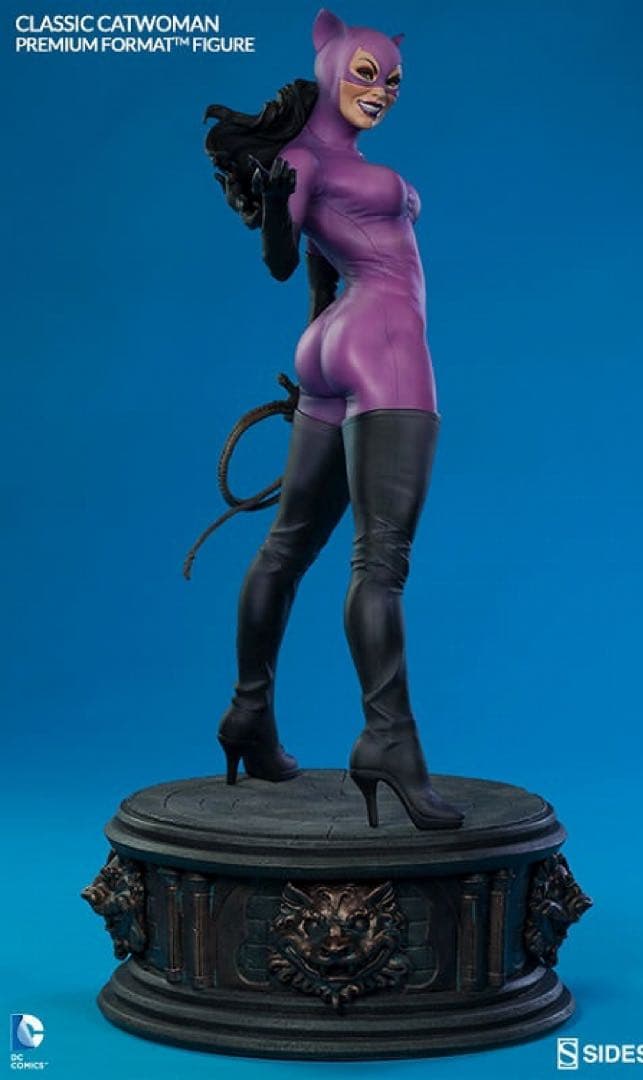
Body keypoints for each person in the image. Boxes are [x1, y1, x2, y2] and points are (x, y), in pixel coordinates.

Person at [205, 9, 463, 831]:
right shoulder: (307, 161)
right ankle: (389, 738)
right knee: (380, 562)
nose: (381, 89)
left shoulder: (317, 160)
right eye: (365, 72)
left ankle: (249, 713)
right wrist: (278, 208)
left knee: (287, 547)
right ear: (328, 61)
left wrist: (321, 361)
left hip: (330, 340)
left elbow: (310, 271)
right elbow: (282, 259)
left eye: (392, 80)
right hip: (381, 338)